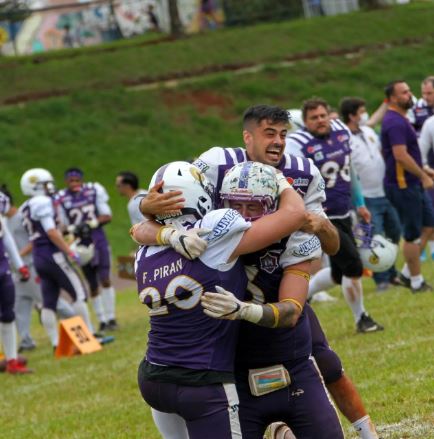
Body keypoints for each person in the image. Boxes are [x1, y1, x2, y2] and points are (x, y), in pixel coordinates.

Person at [139, 105, 379, 439]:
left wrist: (319, 226)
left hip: (273, 288)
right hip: (223, 311)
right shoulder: (216, 165)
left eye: (283, 133)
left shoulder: (301, 174)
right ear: (247, 136)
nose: (279, 141)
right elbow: (155, 217)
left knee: (325, 361)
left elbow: (329, 244)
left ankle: (368, 433)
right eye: (270, 133)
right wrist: (149, 212)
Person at [132, 160, 306, 439]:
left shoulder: (144, 250)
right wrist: (280, 179)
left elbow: (141, 230)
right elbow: (295, 213)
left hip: (153, 376)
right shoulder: (213, 229)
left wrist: (163, 229)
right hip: (202, 380)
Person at [201, 162, 345, 438]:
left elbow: (291, 311)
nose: (241, 218)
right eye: (234, 206)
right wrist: (158, 227)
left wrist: (244, 310)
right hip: (232, 373)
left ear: (272, 207)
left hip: (292, 364)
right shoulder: (209, 233)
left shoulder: (295, 237)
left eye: (253, 207)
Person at [286, 97, 384, 333]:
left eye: (323, 115)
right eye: (313, 118)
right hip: (321, 216)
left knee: (340, 273)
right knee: (352, 265)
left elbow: (350, 171)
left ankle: (302, 297)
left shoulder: (341, 132)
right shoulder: (297, 143)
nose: (320, 121)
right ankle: (362, 318)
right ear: (305, 122)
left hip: (343, 211)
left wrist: (359, 203)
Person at [20, 168, 95, 349]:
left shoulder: (26, 206)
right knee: (78, 293)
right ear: (36, 186)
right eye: (46, 184)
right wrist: (69, 251)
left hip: (38, 256)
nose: (50, 187)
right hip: (52, 254)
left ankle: (56, 343)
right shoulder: (42, 202)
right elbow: (51, 231)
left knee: (49, 301)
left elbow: (41, 233)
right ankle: (89, 336)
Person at [1, 185, 75, 352]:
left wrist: (17, 256)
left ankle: (77, 322)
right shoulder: (4, 221)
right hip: (16, 271)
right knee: (19, 306)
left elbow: (33, 240)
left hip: (31, 266)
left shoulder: (22, 216)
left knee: (49, 301)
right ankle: (26, 340)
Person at [340, 97, 402, 292]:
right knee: (373, 238)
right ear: (352, 115)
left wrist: (386, 102)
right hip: (366, 196)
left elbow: (373, 120)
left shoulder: (366, 131)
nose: (364, 114)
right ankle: (381, 279)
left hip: (383, 192)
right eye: (361, 111)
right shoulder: (344, 138)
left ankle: (391, 272)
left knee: (394, 232)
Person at [381, 80, 434, 292]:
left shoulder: (401, 119)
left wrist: (424, 172)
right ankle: (416, 281)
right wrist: (423, 176)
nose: (410, 95)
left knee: (430, 225)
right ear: (393, 98)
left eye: (409, 91)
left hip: (412, 182)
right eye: (404, 92)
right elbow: (400, 156)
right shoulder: (394, 122)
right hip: (403, 185)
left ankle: (405, 274)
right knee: (411, 235)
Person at [56, 168, 118, 331]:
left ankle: (111, 318)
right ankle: (102, 320)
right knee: (92, 283)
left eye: (77, 180)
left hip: (98, 239)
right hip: (79, 243)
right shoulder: (61, 198)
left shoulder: (93, 190)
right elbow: (60, 226)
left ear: (82, 180)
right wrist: (73, 228)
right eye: (71, 181)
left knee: (105, 278)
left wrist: (90, 224)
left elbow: (107, 215)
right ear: (66, 182)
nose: (75, 183)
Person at [0, 191, 33, 374]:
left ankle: (12, 360)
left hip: (3, 269)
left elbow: (6, 238)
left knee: (8, 314)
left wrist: (20, 265)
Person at [408, 76, 434, 260]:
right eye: (424, 93)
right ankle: (430, 248)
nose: (426, 97)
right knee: (429, 206)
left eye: (430, 93)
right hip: (424, 161)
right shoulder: (416, 109)